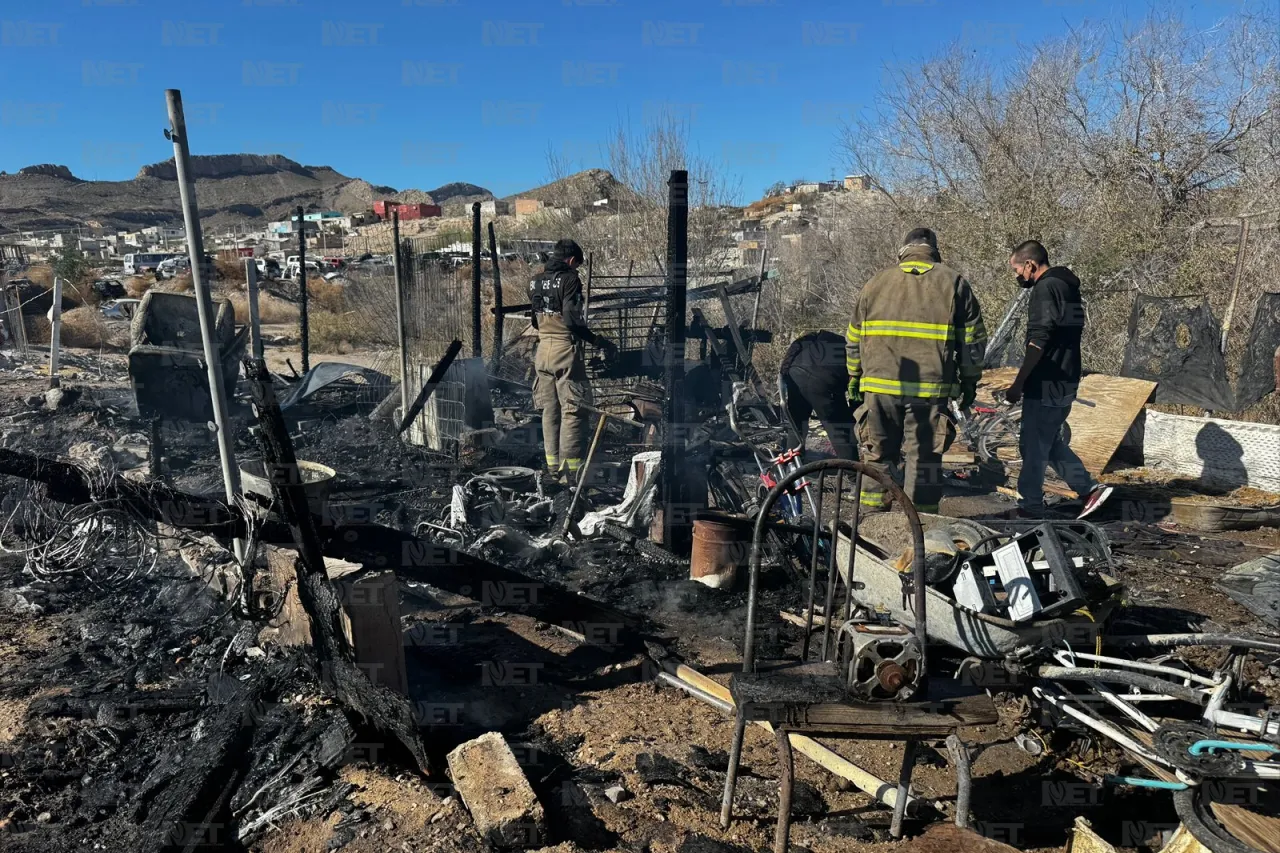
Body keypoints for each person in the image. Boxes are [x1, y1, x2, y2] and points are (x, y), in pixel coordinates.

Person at [845, 228, 986, 513]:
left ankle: (872, 524)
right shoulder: (954, 282)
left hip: (879, 390)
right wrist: (970, 380)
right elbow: (972, 340)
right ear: (935, 251)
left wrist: (854, 376)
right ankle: (920, 529)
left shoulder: (875, 283)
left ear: (902, 251)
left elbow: (853, 336)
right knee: (923, 460)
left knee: (876, 455)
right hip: (929, 391)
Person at [1003, 240, 1112, 519]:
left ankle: (1030, 506)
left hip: (1047, 379)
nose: (1017, 276)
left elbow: (1039, 340)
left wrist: (1019, 382)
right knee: (1049, 443)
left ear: (1030, 265)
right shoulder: (1067, 287)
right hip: (1066, 377)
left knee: (1033, 445)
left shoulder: (1046, 288)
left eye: (1017, 270)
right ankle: (1088, 489)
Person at [529, 239, 616, 481]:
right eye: (577, 264)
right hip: (564, 351)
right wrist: (597, 341)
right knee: (573, 411)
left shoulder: (536, 280)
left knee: (549, 411)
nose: (577, 268)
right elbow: (571, 320)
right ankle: (571, 474)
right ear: (571, 260)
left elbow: (535, 320)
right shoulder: (570, 280)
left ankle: (552, 469)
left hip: (542, 352)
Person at [779, 330, 858, 459]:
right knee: (840, 429)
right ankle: (853, 474)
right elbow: (857, 394)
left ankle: (792, 467)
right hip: (822, 379)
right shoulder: (855, 354)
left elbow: (789, 357)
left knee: (797, 423)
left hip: (795, 373)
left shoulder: (822, 341)